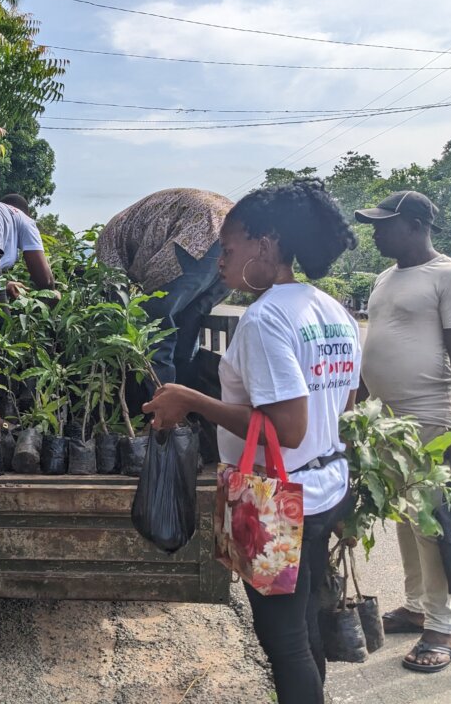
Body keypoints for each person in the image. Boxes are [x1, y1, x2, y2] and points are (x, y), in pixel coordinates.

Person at [143, 179, 360, 704]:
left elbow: (286, 429)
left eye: (229, 247)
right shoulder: (332, 310)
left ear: (265, 245)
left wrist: (191, 401)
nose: (220, 261)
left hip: (279, 502)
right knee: (303, 627)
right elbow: (346, 403)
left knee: (283, 643)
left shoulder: (265, 319)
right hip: (327, 487)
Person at [355, 190, 451, 673]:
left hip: (429, 419)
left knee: (430, 523)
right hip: (385, 422)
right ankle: (415, 607)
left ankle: (443, 628)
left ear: (414, 225)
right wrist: (357, 410)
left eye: (383, 224)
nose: (375, 232)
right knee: (404, 518)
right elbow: (376, 348)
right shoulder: (385, 277)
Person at [96, 187, 233, 388]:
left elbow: (117, 292)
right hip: (237, 229)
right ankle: (185, 395)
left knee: (154, 323)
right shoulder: (125, 223)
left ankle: (161, 400)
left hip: (198, 231)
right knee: (189, 320)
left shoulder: (105, 240)